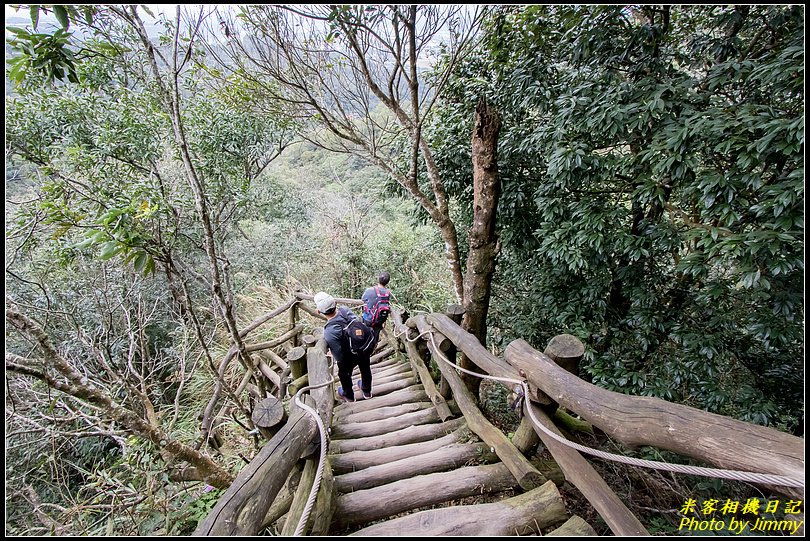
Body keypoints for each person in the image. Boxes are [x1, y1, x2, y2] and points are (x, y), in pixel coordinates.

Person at [315, 291, 374, 402]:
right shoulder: (345, 310)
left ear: (318, 312)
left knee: (343, 373)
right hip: (362, 346)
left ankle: (348, 395)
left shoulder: (330, 331)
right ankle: (367, 390)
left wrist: (332, 353)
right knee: (365, 367)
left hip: (349, 356)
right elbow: (356, 322)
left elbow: (339, 356)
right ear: (335, 303)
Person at [361, 271, 392, 342]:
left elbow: (363, 299)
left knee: (365, 337)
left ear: (378, 279)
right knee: (374, 338)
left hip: (368, 319)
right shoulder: (388, 293)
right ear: (387, 282)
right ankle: (372, 348)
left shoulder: (369, 290)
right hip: (379, 320)